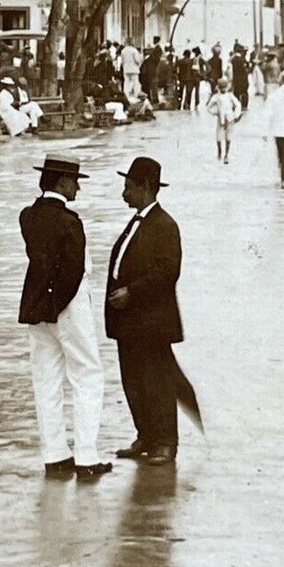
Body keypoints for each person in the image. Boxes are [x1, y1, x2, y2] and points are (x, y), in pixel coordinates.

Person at [18, 155, 108, 482]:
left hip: (36, 307)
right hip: (68, 307)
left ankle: (54, 455)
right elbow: (74, 271)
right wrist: (59, 306)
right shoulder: (71, 222)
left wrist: (45, 306)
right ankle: (86, 456)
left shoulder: (28, 216)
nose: (78, 187)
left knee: (46, 379)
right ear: (60, 182)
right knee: (87, 375)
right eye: (74, 181)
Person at [106, 157, 200, 467]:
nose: (124, 194)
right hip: (130, 321)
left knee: (157, 383)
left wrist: (131, 293)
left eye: (129, 188)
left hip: (151, 321)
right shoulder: (139, 222)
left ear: (146, 187)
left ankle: (166, 443)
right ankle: (145, 436)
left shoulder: (165, 225)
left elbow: (167, 272)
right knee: (133, 381)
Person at [205, 77, 242, 163]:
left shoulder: (230, 96)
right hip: (221, 119)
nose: (223, 89)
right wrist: (215, 112)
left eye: (224, 87)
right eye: (221, 87)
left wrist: (236, 115)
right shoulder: (216, 97)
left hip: (229, 118)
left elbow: (238, 105)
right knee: (218, 138)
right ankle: (219, 151)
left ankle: (226, 155)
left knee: (228, 138)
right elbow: (208, 107)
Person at [230, 43, 249, 111]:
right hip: (243, 79)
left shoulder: (233, 59)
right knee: (244, 93)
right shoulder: (240, 59)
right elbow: (244, 70)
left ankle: (236, 105)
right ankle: (244, 106)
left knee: (236, 93)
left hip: (236, 79)